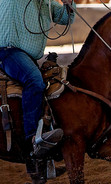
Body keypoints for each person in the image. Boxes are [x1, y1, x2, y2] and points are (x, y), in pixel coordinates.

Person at [0, 0, 75, 157]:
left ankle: (40, 162)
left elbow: (66, 19)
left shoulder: (45, 3)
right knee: (34, 80)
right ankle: (32, 138)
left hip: (24, 56)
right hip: (7, 51)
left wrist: (69, 3)